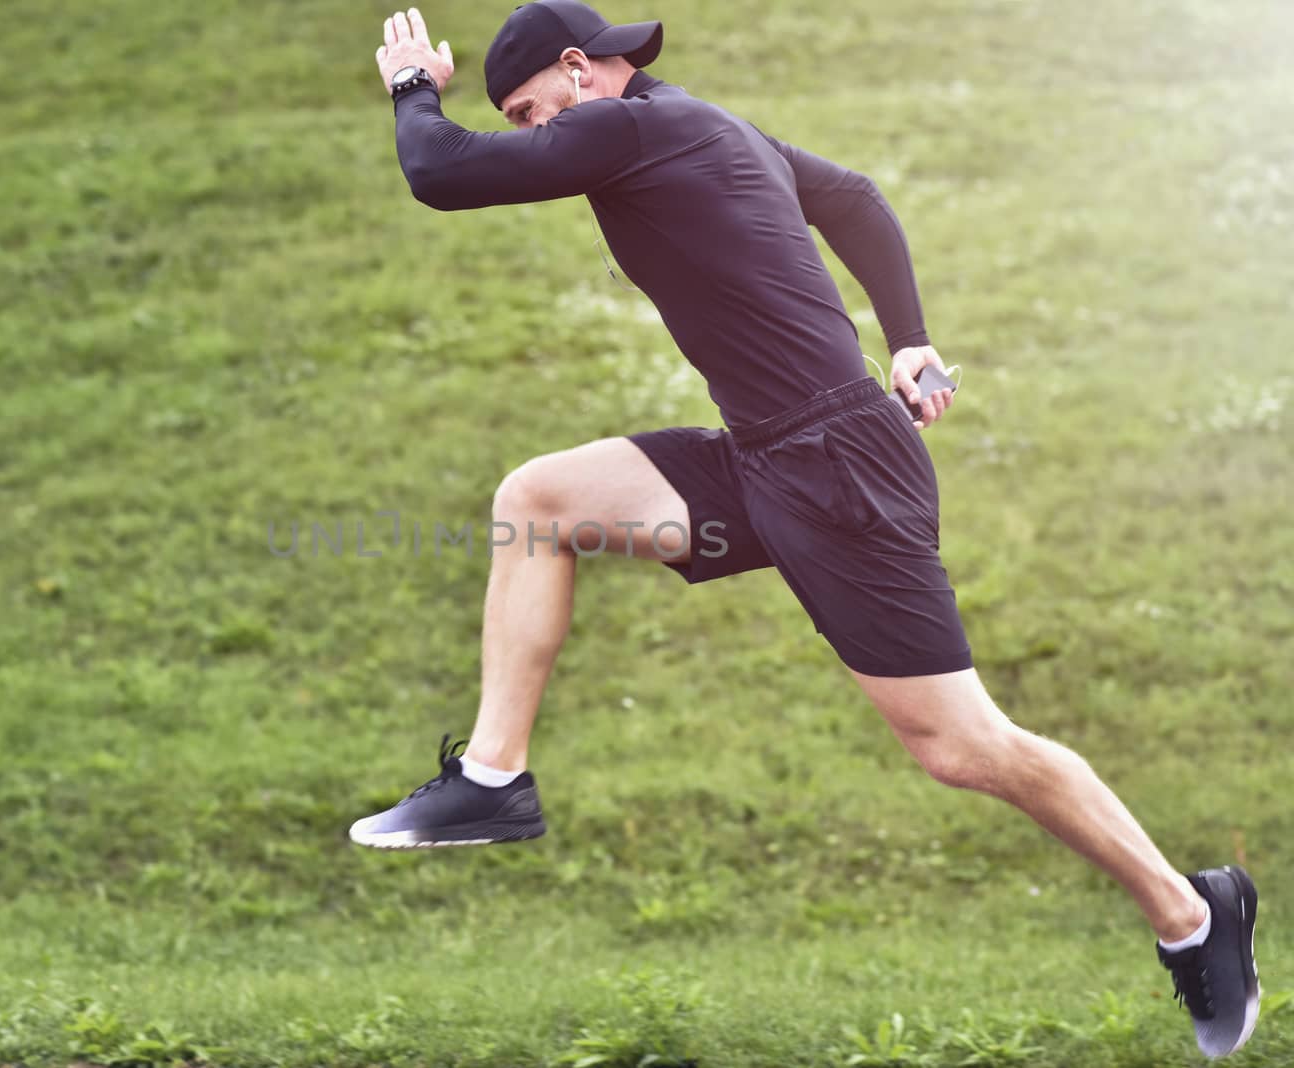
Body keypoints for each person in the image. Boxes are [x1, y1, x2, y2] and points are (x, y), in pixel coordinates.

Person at [350, 2, 1259, 1057]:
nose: (525, 135)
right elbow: (853, 199)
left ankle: (1192, 915)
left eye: (525, 110)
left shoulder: (630, 125)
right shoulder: (702, 128)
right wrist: (909, 341)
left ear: (577, 70)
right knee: (538, 500)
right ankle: (493, 782)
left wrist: (414, 85)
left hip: (838, 470)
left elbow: (438, 171)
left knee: (961, 747)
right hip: (767, 456)